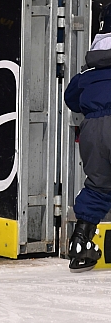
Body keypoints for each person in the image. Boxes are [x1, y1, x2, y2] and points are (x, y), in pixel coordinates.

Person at [63, 31, 111, 272]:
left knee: (98, 185)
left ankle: (80, 242)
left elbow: (70, 99)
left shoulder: (86, 74)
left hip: (92, 129)